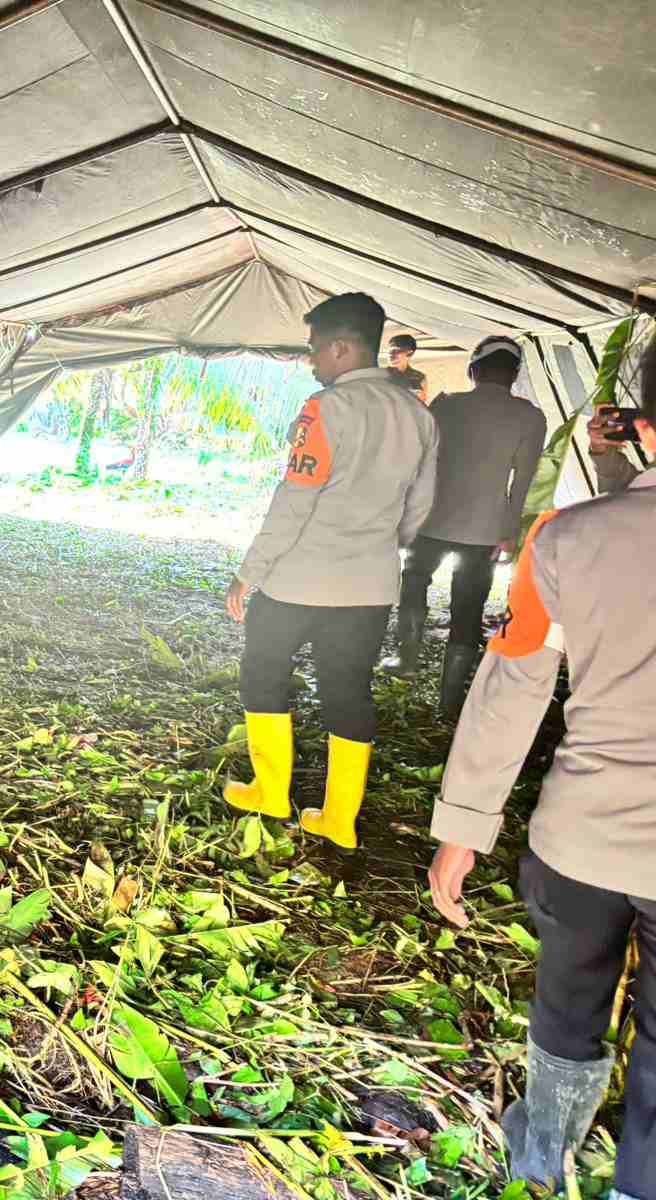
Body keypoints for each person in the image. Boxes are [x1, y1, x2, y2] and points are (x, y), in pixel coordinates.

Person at [426, 339, 656, 1200]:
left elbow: (512, 688)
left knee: (568, 1000)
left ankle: (543, 1154)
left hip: (583, 839)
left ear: (641, 428)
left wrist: (463, 827)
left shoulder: (565, 539)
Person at [223, 293, 439, 849]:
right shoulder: (419, 415)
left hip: (298, 579)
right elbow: (420, 505)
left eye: (315, 349)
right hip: (369, 585)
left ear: (342, 347)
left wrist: (249, 571)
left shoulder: (325, 408)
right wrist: (378, 545)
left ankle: (270, 791)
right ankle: (339, 819)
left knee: (264, 672)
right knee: (349, 691)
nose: (311, 361)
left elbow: (295, 499)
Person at [382, 336, 546, 720]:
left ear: (473, 371)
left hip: (432, 518)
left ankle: (407, 659)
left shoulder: (446, 406)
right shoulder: (530, 418)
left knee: (414, 581)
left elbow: (419, 462)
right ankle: (451, 701)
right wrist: (510, 531)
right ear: (515, 375)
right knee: (469, 607)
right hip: (485, 528)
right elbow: (522, 482)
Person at [385, 333, 429, 403]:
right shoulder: (381, 375)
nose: (391, 354)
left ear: (410, 353)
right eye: (389, 350)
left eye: (396, 350)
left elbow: (421, 403)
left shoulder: (420, 378)